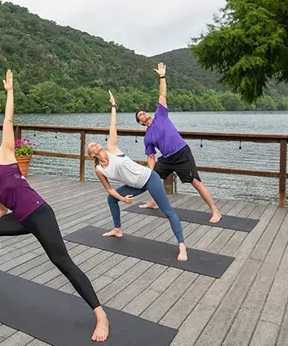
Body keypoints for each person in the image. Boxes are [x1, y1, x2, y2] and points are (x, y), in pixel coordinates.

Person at [0, 69, 109, 342]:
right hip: (21, 218)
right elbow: (0, 210)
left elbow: (8, 120)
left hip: (40, 213)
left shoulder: (6, 154)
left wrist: (10, 93)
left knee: (61, 261)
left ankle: (100, 315)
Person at [87, 91, 188, 261]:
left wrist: (113, 105)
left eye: (95, 143)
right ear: (92, 154)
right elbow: (110, 190)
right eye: (92, 146)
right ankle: (117, 229)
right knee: (111, 199)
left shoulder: (111, 148)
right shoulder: (99, 169)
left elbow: (113, 125)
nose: (95, 144)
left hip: (149, 179)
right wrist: (122, 198)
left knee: (168, 212)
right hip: (134, 186)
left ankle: (182, 246)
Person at [136, 62, 222, 223]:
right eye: (140, 115)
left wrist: (162, 77)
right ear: (140, 122)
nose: (143, 113)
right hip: (167, 159)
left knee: (196, 183)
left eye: (143, 112)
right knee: (154, 178)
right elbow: (151, 156)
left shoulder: (160, 115)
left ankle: (215, 212)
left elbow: (162, 95)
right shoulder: (147, 137)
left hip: (182, 153)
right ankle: (153, 202)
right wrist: (150, 172)